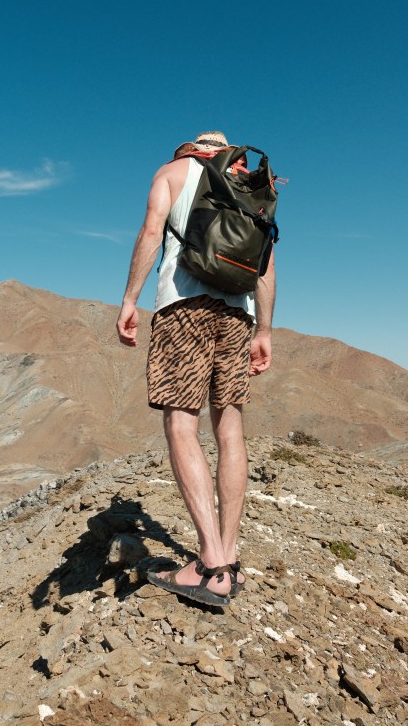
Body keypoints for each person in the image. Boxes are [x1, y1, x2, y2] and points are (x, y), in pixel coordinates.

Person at [116, 130, 276, 607]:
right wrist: (265, 330)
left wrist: (130, 300)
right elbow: (265, 265)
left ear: (189, 150)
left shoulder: (173, 173)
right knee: (230, 428)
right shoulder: (250, 185)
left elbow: (151, 233)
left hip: (183, 306)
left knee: (182, 425)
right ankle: (229, 555)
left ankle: (211, 566)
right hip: (238, 314)